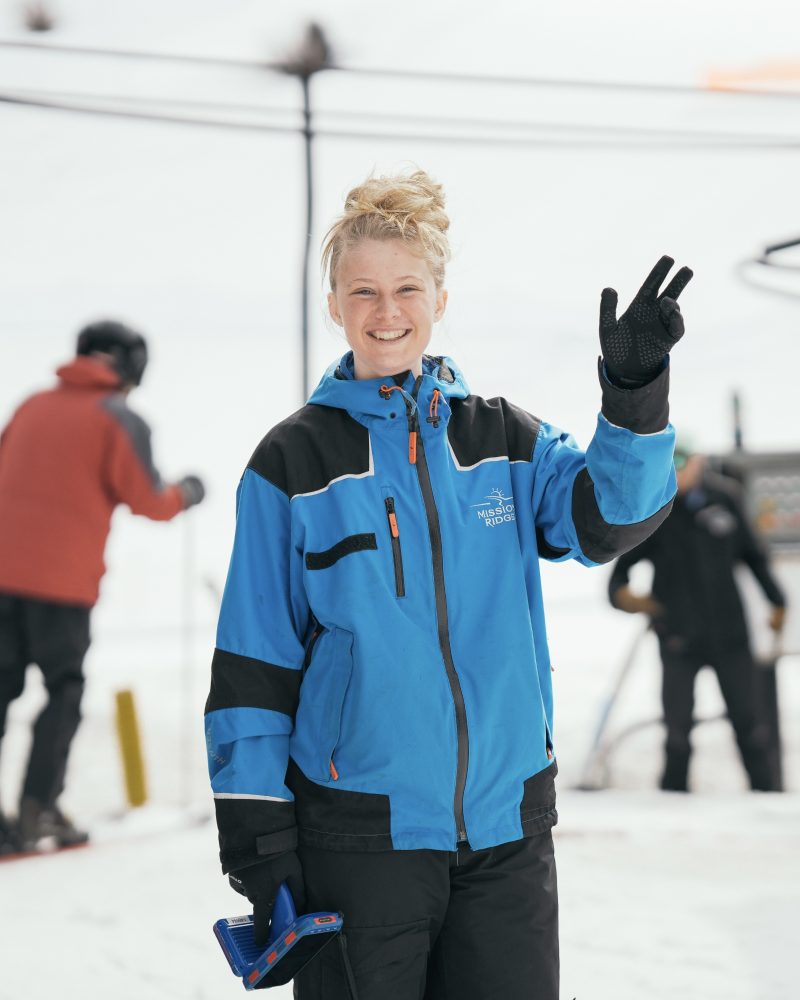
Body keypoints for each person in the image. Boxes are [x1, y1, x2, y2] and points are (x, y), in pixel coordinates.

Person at [205, 169, 692, 1000]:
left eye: (406, 288)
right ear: (333, 303)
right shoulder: (292, 463)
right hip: (361, 839)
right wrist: (260, 843)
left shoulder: (502, 438)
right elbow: (254, 664)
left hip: (507, 832)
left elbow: (610, 517)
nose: (386, 311)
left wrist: (634, 396)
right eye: (364, 291)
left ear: (439, 296)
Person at [0, 320, 205, 853]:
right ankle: (36, 810)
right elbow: (148, 499)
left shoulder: (31, 405)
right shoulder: (116, 418)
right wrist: (186, 492)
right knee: (63, 689)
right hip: (59, 586)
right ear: (130, 365)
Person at [608, 444, 786, 792]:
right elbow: (620, 567)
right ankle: (674, 799)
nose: (678, 474)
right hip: (677, 636)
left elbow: (754, 556)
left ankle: (768, 798)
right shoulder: (655, 508)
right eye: (670, 466)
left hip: (730, 635)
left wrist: (777, 602)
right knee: (677, 729)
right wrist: (625, 598)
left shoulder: (725, 499)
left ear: (699, 463)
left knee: (750, 724)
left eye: (683, 465)